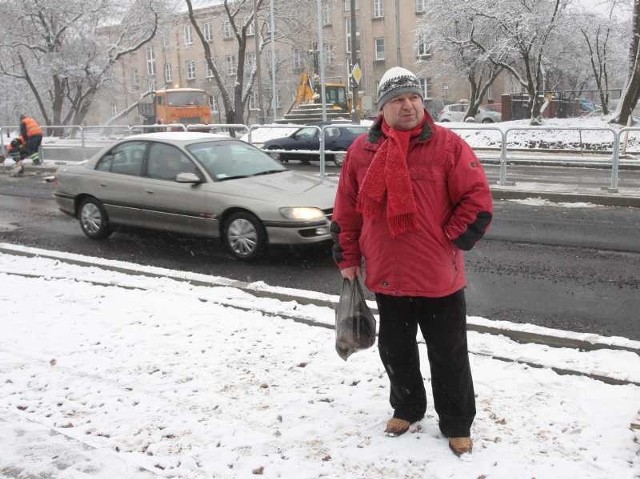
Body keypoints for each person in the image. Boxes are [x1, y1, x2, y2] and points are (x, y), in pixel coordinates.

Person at [331, 67, 493, 456]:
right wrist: (348, 256)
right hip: (387, 276)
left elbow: (477, 200)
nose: (408, 105)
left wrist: (447, 238)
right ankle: (407, 407)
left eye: (413, 98)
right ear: (382, 108)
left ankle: (456, 423)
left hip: (438, 277)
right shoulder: (362, 151)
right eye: (398, 99)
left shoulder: (447, 146)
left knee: (448, 354)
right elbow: (347, 211)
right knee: (395, 350)